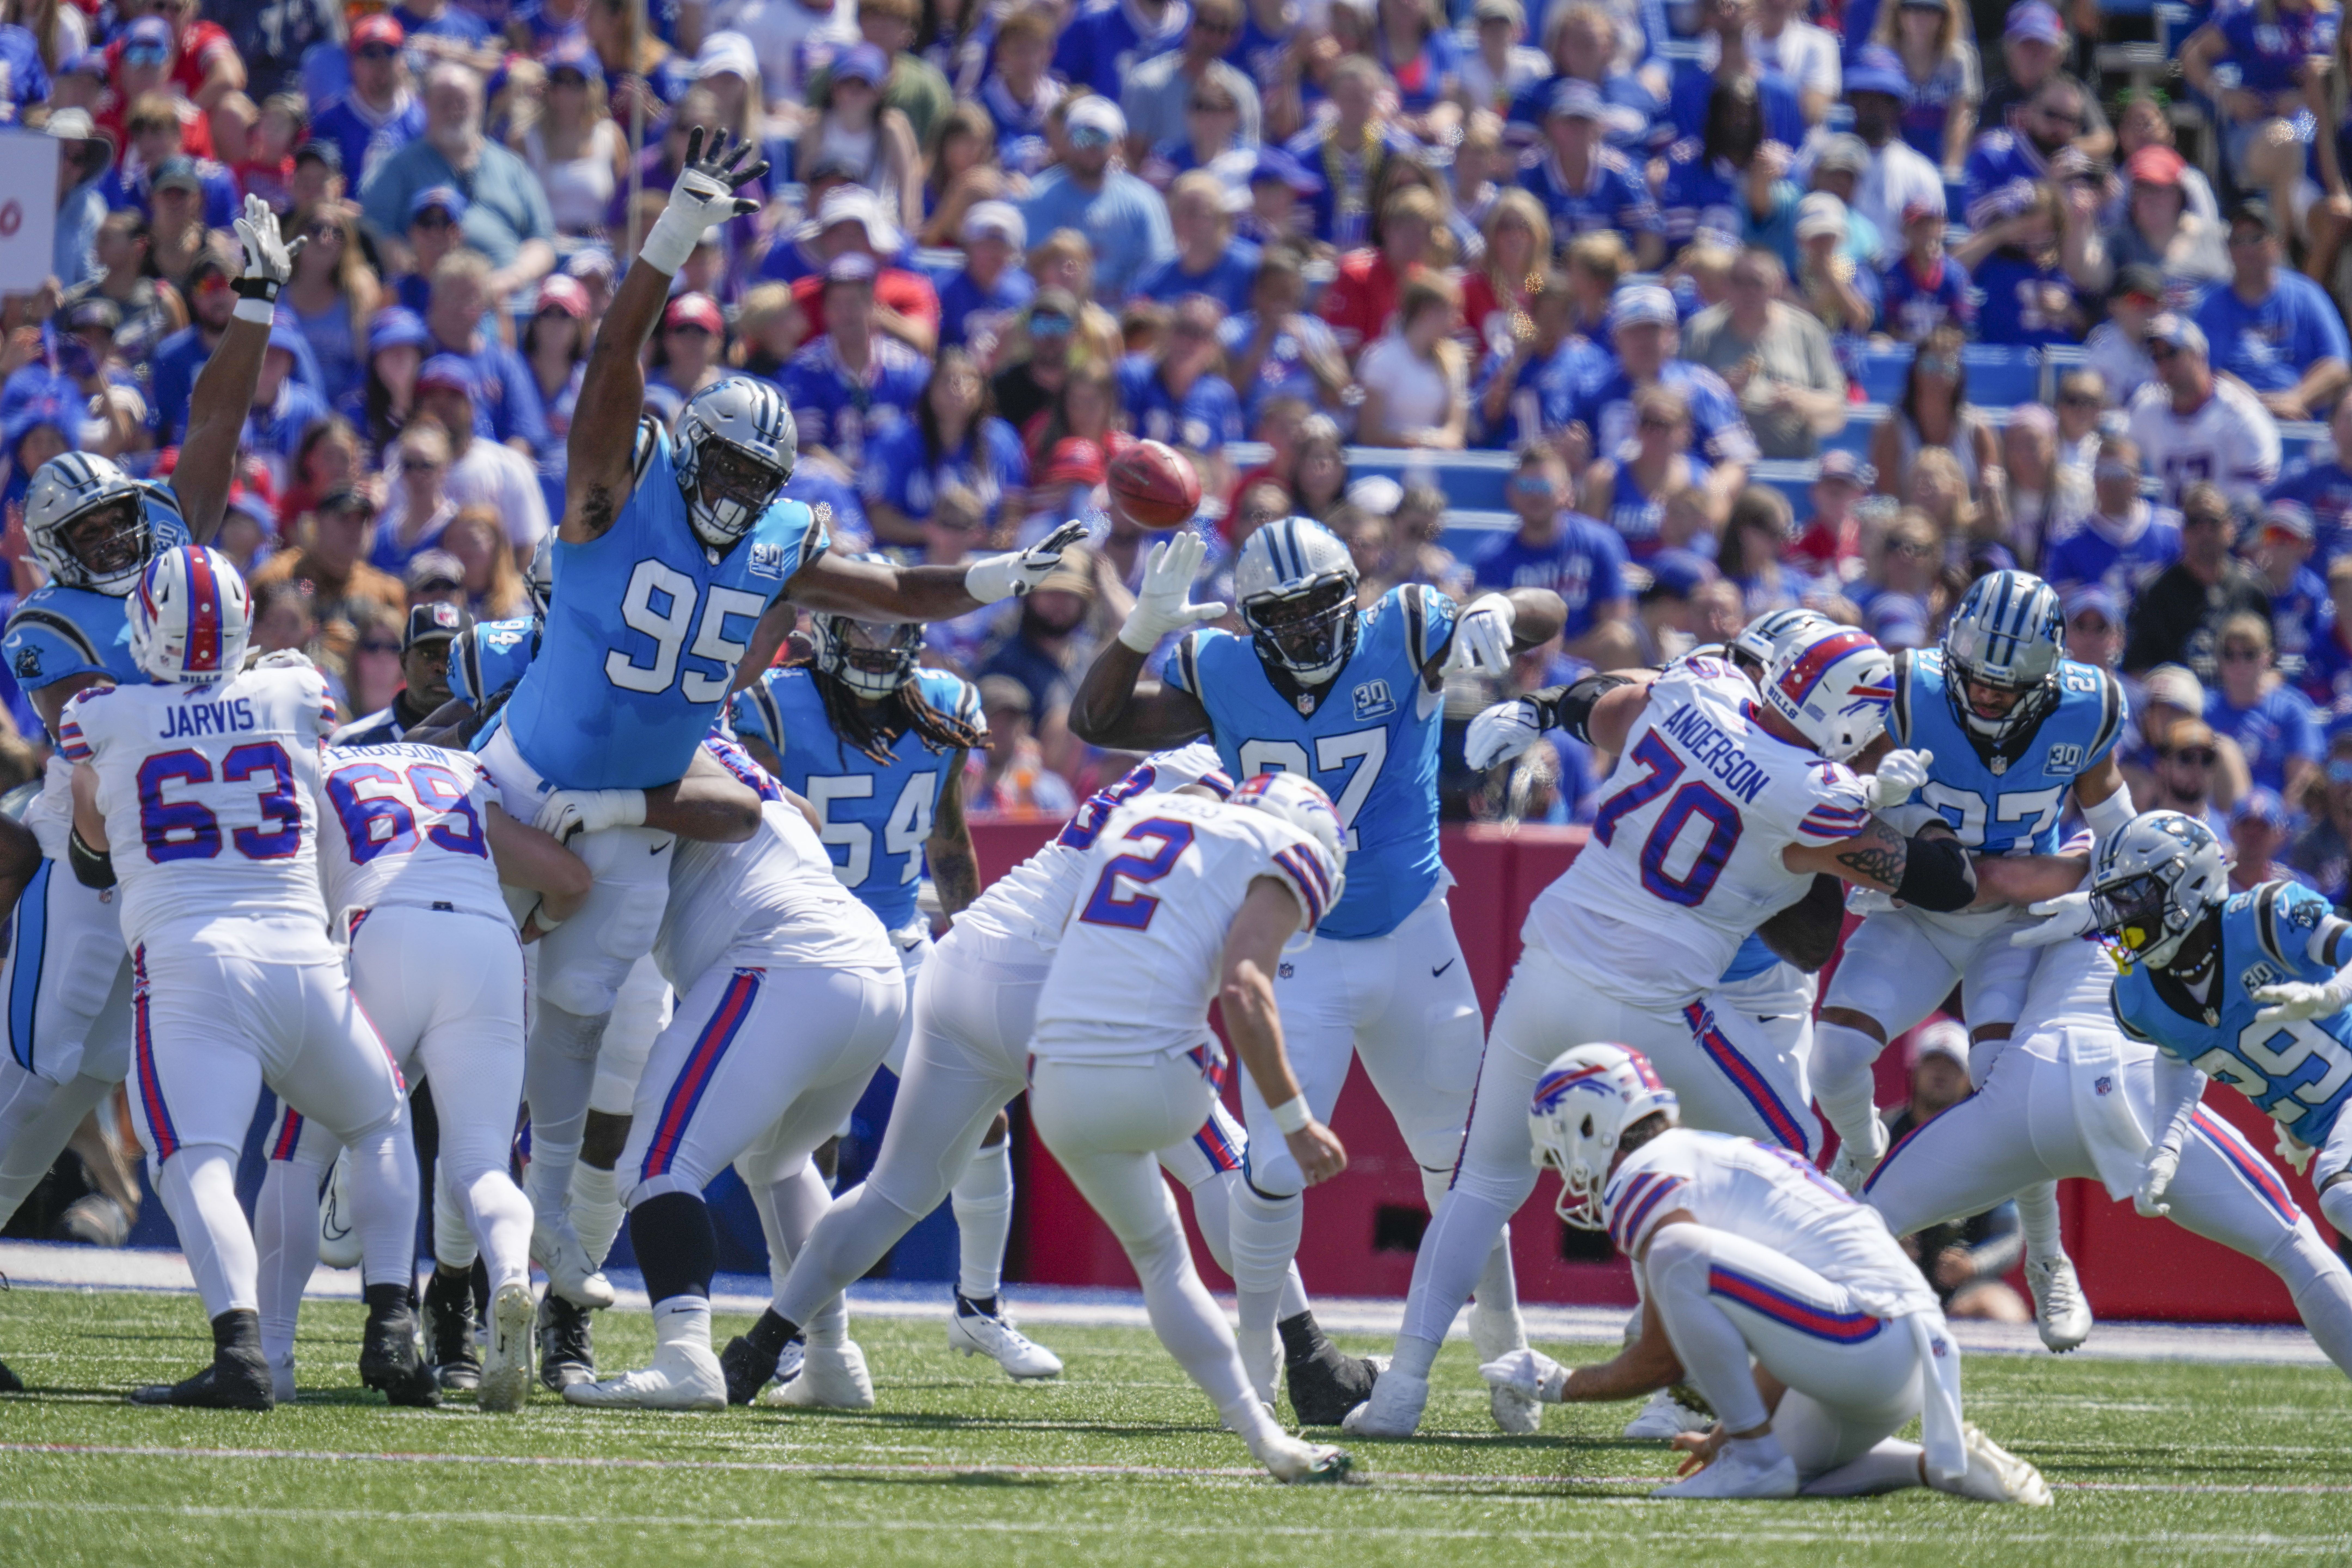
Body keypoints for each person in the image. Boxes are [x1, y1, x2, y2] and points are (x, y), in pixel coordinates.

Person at [488, 129, 1092, 1372]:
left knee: (581, 1077)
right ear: (683, 444)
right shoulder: (619, 483)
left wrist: (992, 572)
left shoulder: (774, 545)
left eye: (758, 475)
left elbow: (890, 585)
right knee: (491, 1030)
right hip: (531, 777)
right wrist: (678, 227)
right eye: (722, 462)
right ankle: (448, 1257)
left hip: (644, 824)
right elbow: (613, 353)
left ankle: (541, 1296)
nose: (734, 488)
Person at [1347, 627, 1980, 1438]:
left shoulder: (1700, 685)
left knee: (1482, 1182)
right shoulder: (1813, 792)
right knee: (1793, 1158)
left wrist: (1541, 710)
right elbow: (1947, 884)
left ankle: (1403, 1387)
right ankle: (1727, 1382)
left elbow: (1601, 704)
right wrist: (1907, 808)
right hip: (1657, 1009)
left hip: (1547, 965)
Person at [1071, 518, 1567, 1428]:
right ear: (1254, 623)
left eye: (1318, 610)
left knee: (1461, 1166)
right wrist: (1139, 628)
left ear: (1351, 596)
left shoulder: (1406, 627)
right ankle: (1255, 1368)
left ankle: (1503, 1352)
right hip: (1295, 947)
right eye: (1283, 617)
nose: (1304, 632)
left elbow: (1549, 609)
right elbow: (1095, 721)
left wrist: (1497, 609)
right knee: (1270, 1169)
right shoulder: (1219, 667)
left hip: (1415, 936)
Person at [0, 201, 294, 1387]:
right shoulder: (45, 626)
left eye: (131, 511)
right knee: (42, 1071)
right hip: (96, 854)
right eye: (100, 526)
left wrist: (255, 310)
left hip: (202, 858)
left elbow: (214, 417)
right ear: (57, 550)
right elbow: (85, 748)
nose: (127, 534)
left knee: (211, 1075)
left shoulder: (173, 538)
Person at [61, 545, 427, 1411]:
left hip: (193, 968)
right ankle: (391, 1322)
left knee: (195, 1163)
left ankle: (241, 1352)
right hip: (304, 959)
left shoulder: (100, 716)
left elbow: (88, 858)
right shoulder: (295, 688)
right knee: (378, 1118)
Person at [1480, 1042, 2051, 1503]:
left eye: (1560, 1150)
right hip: (1901, 1358)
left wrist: (1559, 1384)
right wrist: (1731, 1431)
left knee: (1678, 1253)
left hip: (1867, 1337)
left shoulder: (1646, 1173)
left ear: (1591, 1125)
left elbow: (1663, 1358)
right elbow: (1792, 1310)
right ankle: (1938, 1466)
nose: (1566, 1172)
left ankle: (1755, 1457)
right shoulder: (1706, 1158)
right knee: (1789, 1474)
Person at [1810, 571, 2128, 1362]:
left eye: (2004, 682)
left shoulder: (2087, 707)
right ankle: (1861, 1151)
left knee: (2003, 1084)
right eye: (1975, 675)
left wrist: (2090, 866)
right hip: (1920, 915)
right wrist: (1912, 831)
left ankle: (2048, 1256)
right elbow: (1861, 787)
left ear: (2047, 673)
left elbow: (2114, 829)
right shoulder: (1907, 687)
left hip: (2012, 929)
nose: (1985, 694)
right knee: (1837, 1056)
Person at [556, 733, 907, 1410]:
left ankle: (684, 1356)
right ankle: (831, 1356)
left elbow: (731, 815)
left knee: (656, 1163)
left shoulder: (650, 730)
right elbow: (798, 814)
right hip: (868, 961)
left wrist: (617, 806)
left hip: (782, 958)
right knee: (777, 1161)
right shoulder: (719, 747)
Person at [250, 734, 591, 1407]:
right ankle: (511, 1277)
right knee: (481, 1164)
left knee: (298, 1151)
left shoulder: (316, 764)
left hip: (379, 925)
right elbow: (572, 880)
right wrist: (539, 923)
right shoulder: (463, 768)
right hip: (485, 937)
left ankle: (273, 1356)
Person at [2078, 812, 2352, 1269]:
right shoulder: (2140, 998)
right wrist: (2166, 1144)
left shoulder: (2265, 917)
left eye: (2136, 896)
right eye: (2118, 901)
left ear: (2188, 885)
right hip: (2335, 1123)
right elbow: (2179, 1055)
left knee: (2340, 1192)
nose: (2125, 917)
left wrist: (2329, 996)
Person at [359, 63, 556, 305]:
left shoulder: (512, 166)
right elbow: (376, 232)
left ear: (481, 105)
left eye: (462, 102)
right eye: (444, 103)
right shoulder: (398, 166)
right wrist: (422, 274)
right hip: (431, 301)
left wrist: (510, 280)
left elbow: (542, 241)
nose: (454, 111)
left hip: (509, 299)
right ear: (426, 106)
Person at [1569, 284, 1755, 523]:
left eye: (1654, 330)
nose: (1645, 341)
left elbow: (1737, 461)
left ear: (1672, 334)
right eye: (1635, 331)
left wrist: (1710, 494)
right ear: (1616, 336)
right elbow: (1566, 459)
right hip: (1611, 510)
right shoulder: (1589, 390)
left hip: (1688, 513)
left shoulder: (1704, 389)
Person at [1884, 1021, 2030, 1324]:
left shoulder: (1989, 1146)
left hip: (1966, 1288)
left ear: (1968, 1077)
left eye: (1952, 1066)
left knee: (2003, 1312)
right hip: (1887, 1280)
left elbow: (2011, 1238)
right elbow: (1839, 1202)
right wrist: (1885, 1242)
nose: (1940, 1073)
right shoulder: (1880, 1135)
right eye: (1933, 1062)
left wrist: (1972, 1265)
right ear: (1915, 1069)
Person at [1475, 443, 1634, 668]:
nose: (1534, 494)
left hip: (1588, 668)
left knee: (1619, 640)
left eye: (1544, 486)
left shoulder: (1600, 543)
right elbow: (1488, 637)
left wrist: (1557, 658)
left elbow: (1617, 622)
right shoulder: (1492, 557)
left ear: (1567, 493)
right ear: (1511, 493)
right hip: (1519, 671)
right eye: (1525, 485)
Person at [1681, 246, 1847, 461]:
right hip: (1718, 467)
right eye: (1738, 282)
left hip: (1791, 465)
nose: (1747, 291)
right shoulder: (1701, 331)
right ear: (1726, 285)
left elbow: (1835, 408)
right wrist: (1719, 393)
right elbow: (1675, 401)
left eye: (1757, 283)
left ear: (1778, 286)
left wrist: (1800, 401)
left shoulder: (1807, 330)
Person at [2195, 199, 2351, 424]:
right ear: (2228, 250)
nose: (2247, 248)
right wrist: (2256, 406)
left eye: (2256, 238)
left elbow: (2338, 365)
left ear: (2277, 245)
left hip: (2304, 422)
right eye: (2238, 240)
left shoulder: (2307, 296)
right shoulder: (2210, 305)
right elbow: (2206, 372)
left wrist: (2296, 399)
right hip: (2236, 427)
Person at [781, 254, 932, 479]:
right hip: (833, 488)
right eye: (837, 304)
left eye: (854, 303)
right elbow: (805, 446)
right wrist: (850, 483)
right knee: (818, 513)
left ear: (873, 307)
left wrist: (881, 487)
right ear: (825, 311)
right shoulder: (804, 370)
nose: (846, 314)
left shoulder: (909, 368)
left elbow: (928, 434)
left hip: (896, 486)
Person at [1017, 97, 1173, 304]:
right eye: (1083, 137)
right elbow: (1028, 265)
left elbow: (1159, 266)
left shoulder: (1144, 201)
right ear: (1067, 142)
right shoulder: (1038, 196)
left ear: (1119, 145)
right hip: (1058, 312)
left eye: (1100, 138)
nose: (1091, 147)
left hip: (1125, 315)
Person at [863, 350, 1027, 545]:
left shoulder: (1001, 439)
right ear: (930, 390)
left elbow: (1013, 512)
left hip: (981, 556)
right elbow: (879, 518)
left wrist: (999, 538)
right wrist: (936, 536)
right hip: (912, 557)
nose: (959, 388)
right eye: (949, 380)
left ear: (983, 391)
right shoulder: (896, 440)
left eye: (969, 380)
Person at [2126, 314, 2283, 511]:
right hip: (2169, 531)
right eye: (2157, 357)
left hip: (2223, 530)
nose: (2164, 364)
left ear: (2199, 355)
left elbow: (2252, 504)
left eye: (2172, 353)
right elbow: (2121, 462)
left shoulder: (2242, 414)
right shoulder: (2147, 407)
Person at [2123, 482, 2279, 673]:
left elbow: (2272, 670)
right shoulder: (2154, 593)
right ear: (2182, 533)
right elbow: (2138, 670)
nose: (2205, 533)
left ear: (2231, 530)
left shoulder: (2252, 591)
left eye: (2214, 523)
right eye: (2195, 522)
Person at [1518, 81, 1662, 270]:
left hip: (1607, 278)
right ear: (1552, 126)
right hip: (1548, 277)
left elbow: (1651, 246)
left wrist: (1620, 274)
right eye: (1569, 122)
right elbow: (1516, 238)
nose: (1577, 130)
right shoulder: (1531, 172)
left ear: (1599, 127)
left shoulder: (1623, 173)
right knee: (1529, 288)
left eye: (1584, 122)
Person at [2043, 435, 2183, 604]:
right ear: (2094, 478)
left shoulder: (2171, 530)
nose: (2111, 481)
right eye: (2103, 471)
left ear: (2139, 477)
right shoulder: (2068, 540)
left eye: (2120, 472)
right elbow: (2066, 612)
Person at [1581, 384, 1711, 560]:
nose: (1655, 432)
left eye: (1664, 425)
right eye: (1647, 423)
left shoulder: (1705, 479)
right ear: (1635, 428)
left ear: (1684, 432)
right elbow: (1590, 546)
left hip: (1677, 580)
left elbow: (1714, 534)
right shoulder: (1605, 477)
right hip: (1623, 580)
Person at [2206, 612, 2324, 802]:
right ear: (2219, 660)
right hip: (2221, 819)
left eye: (2249, 654)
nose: (2239, 663)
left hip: (2277, 819)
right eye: (2230, 655)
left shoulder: (2291, 709)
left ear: (2267, 658)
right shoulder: (2205, 710)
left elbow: (2302, 780)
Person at [310, 13, 424, 190]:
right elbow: (315, 192)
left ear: (403, 60)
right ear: (352, 63)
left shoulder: (423, 121)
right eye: (370, 53)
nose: (381, 62)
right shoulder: (329, 122)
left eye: (389, 51)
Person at [1354, 274, 1468, 451]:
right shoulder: (1381, 359)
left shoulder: (1454, 360)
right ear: (1426, 312)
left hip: (1438, 465)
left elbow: (1455, 434)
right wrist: (1422, 442)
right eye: (1452, 311)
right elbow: (1370, 434)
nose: (1459, 320)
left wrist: (1429, 443)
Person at [2104, 145, 2228, 301]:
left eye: (2160, 190)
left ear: (2180, 196)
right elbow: (2088, 277)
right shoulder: (2117, 244)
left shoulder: (2219, 237)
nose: (2151, 199)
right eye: (2142, 190)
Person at [330, 602, 462, 746]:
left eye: (453, 656)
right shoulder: (349, 740)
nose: (441, 667)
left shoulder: (488, 741)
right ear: (405, 661)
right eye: (429, 654)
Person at [1133, 172, 1262, 315]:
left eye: (1197, 212)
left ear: (1220, 217)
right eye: (1181, 211)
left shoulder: (1250, 266)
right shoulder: (1157, 271)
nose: (1189, 221)